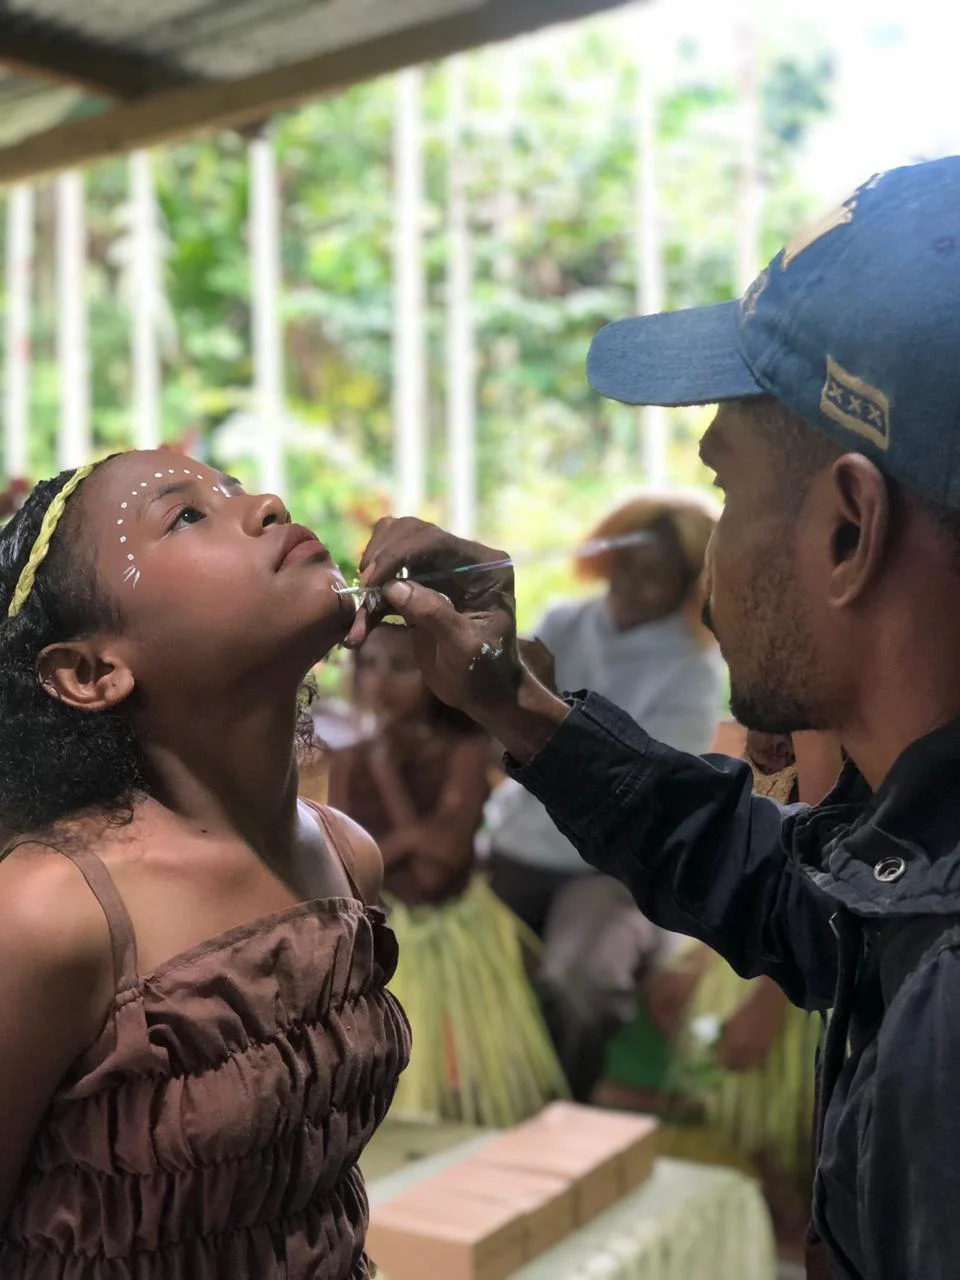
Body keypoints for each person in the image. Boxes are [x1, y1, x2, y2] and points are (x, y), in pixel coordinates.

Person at [347, 157, 960, 1279]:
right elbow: (786, 888)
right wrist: (514, 705)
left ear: (846, 532)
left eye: (725, 489)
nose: (710, 556)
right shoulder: (919, 842)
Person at [0, 453, 411, 1279]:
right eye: (184, 514)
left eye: (234, 487)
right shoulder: (49, 914)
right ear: (91, 672)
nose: (266, 502)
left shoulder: (344, 857)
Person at [485, 494, 724, 1101]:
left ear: (685, 585)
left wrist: (542, 730)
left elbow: (644, 789)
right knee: (472, 972)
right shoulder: (564, 621)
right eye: (628, 561)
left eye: (658, 573)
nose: (636, 582)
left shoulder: (693, 669)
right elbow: (499, 728)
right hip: (515, 845)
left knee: (582, 983)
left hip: (606, 866)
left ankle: (566, 1102)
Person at [327, 623, 566, 1126]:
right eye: (368, 665)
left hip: (455, 938)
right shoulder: (347, 761)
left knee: (470, 1086)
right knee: (401, 1089)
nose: (380, 682)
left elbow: (438, 871)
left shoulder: (464, 753)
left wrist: (388, 780)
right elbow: (349, 867)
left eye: (401, 667)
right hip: (389, 941)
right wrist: (417, 835)